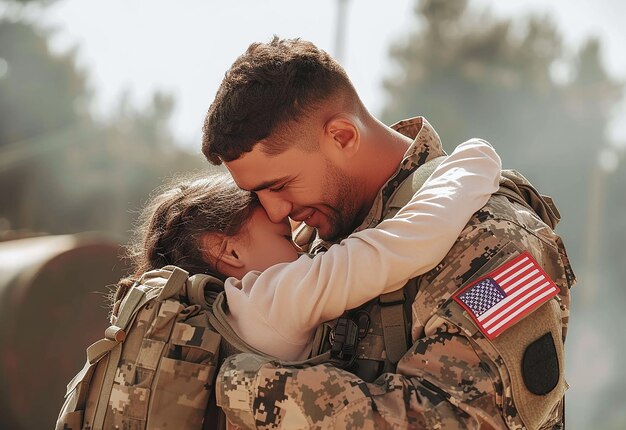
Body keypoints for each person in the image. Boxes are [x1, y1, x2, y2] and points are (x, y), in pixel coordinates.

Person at [202, 37, 576, 428]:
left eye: (280, 186)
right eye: (257, 194)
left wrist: (243, 387)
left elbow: (467, 418)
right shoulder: (311, 241)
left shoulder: (492, 236)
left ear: (342, 136)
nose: (275, 211)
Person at [122, 139, 500, 363]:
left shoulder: (216, 316)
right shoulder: (272, 298)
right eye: (284, 238)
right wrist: (475, 156)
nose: (304, 248)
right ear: (229, 252)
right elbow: (407, 243)